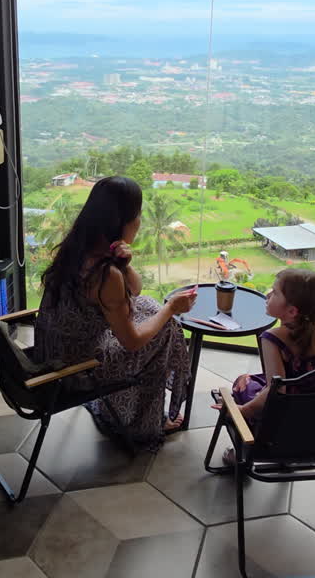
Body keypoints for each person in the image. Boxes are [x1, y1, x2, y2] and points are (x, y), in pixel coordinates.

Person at [34, 176, 198, 451]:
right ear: (122, 221)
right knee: (166, 328)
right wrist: (171, 308)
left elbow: (134, 290)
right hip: (77, 371)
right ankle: (144, 424)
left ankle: (130, 411)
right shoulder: (104, 274)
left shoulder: (78, 246)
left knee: (147, 305)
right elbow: (131, 342)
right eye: (137, 215)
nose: (140, 221)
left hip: (53, 351)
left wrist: (125, 263)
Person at [222, 268, 315, 427]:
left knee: (242, 383)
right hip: (311, 414)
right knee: (255, 380)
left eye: (274, 292)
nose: (268, 295)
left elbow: (277, 392)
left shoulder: (272, 339)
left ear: (292, 311)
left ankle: (244, 447)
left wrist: (245, 410)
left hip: (281, 420)